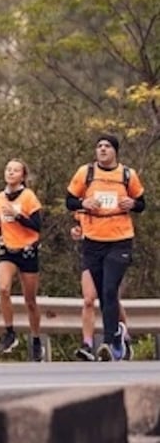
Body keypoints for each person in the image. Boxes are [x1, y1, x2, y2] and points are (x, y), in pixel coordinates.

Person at [65, 134, 145, 362]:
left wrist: (133, 204)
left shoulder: (127, 175)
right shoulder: (86, 173)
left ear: (115, 151)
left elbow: (141, 203)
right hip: (92, 240)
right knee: (102, 294)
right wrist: (83, 203)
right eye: (99, 146)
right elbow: (69, 200)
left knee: (110, 289)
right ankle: (118, 335)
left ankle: (110, 342)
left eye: (107, 146)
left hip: (120, 239)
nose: (102, 149)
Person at [0, 158, 44, 362]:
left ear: (23, 175)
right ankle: (9, 332)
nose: (10, 173)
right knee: (3, 289)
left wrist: (18, 215)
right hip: (8, 249)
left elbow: (37, 225)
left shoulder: (28, 197)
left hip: (28, 250)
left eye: (15, 170)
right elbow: (2, 221)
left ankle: (36, 339)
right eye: (8, 169)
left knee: (30, 301)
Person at [69, 211, 133, 361]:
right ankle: (87, 344)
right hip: (90, 253)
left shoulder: (111, 192)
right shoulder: (81, 201)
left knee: (110, 295)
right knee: (88, 299)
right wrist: (76, 231)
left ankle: (122, 334)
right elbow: (80, 224)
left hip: (111, 249)